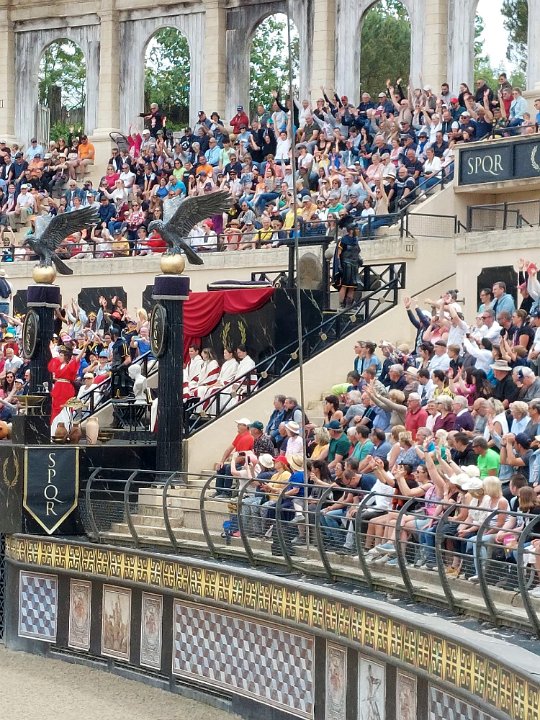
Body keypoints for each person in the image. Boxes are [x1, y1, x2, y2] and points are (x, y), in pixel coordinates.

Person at [332, 225, 361, 308]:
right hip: (346, 265)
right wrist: (339, 265)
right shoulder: (343, 240)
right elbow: (338, 254)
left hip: (354, 265)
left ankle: (349, 305)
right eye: (356, 229)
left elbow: (357, 252)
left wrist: (359, 259)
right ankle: (341, 305)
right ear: (351, 230)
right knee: (344, 285)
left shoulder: (355, 240)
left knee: (352, 286)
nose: (358, 230)